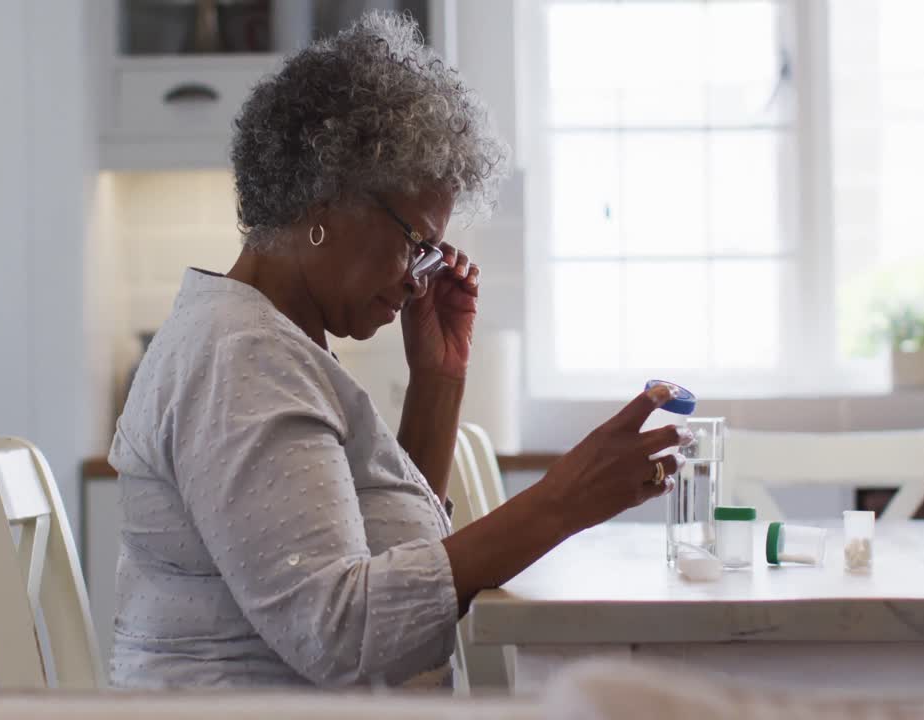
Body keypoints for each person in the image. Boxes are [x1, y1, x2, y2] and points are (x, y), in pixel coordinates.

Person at [107, 11, 688, 689]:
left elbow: (377, 561)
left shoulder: (260, 339)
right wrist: (561, 501)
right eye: (416, 243)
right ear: (326, 202)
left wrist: (436, 383)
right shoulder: (242, 358)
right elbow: (339, 632)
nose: (420, 278)